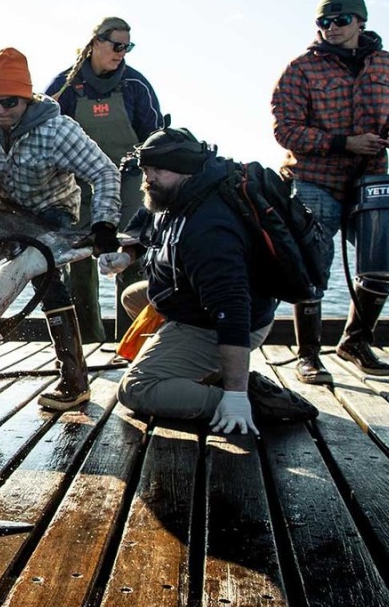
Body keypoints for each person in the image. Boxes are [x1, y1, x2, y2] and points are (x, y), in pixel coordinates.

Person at [0, 47, 122, 411]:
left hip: (52, 210)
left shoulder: (58, 131)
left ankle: (74, 382)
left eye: (9, 103)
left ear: (26, 99)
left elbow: (105, 172)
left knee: (44, 279)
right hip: (6, 209)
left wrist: (104, 223)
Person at [104, 128, 313, 435]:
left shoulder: (209, 229)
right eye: (146, 169)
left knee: (136, 388)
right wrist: (126, 257)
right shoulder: (178, 193)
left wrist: (236, 396)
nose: (147, 179)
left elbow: (233, 312)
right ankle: (200, 368)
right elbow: (147, 228)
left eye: (156, 171)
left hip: (223, 322)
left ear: (182, 168)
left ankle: (248, 400)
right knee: (134, 298)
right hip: (190, 301)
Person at [271, 0, 389, 383]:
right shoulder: (299, 70)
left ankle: (355, 341)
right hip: (314, 179)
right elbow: (287, 132)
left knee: (385, 259)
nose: (331, 26)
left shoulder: (388, 64)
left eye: (341, 19)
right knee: (313, 265)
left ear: (360, 20)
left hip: (371, 181)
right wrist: (344, 142)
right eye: (324, 20)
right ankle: (309, 355)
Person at [47, 17, 165, 344]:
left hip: (129, 183)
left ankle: (132, 344)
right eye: (116, 45)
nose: (121, 53)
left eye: (128, 47)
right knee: (80, 268)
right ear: (96, 42)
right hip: (78, 186)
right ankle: (88, 342)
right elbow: (45, 136)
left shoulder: (136, 86)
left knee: (130, 261)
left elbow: (155, 139)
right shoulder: (65, 87)